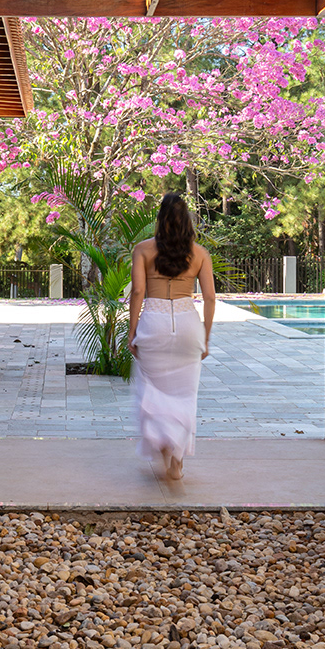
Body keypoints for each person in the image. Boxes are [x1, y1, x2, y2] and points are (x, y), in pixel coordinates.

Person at [128, 192, 215, 481]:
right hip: (188, 323)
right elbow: (210, 298)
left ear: (160, 219)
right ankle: (177, 459)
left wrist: (132, 330)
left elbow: (138, 292)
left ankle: (164, 448)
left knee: (152, 389)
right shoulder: (200, 254)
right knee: (185, 395)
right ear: (187, 220)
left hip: (154, 321)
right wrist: (206, 336)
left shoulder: (142, 250)